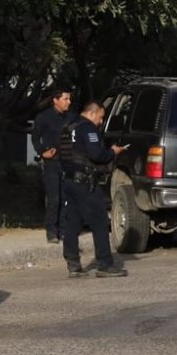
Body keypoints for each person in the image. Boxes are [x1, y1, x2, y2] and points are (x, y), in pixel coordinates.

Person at [59, 101, 128, 278]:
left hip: (68, 180)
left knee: (72, 223)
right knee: (99, 222)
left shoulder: (68, 126)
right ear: (91, 113)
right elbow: (97, 155)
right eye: (100, 117)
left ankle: (73, 264)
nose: (100, 121)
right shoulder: (88, 129)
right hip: (85, 182)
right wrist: (113, 152)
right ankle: (104, 263)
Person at [32, 88, 74, 243]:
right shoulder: (43, 117)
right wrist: (43, 152)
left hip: (68, 162)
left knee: (66, 197)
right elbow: (35, 137)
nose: (68, 102)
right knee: (54, 198)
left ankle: (63, 231)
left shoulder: (71, 117)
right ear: (55, 100)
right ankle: (51, 231)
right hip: (52, 162)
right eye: (65, 99)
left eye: (69, 99)